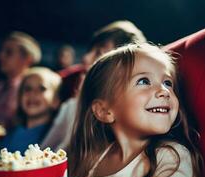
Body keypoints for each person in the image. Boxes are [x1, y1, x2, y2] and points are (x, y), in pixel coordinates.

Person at [60, 43, 203, 177]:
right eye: (143, 81)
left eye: (168, 82)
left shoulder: (170, 157)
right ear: (104, 111)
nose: (164, 91)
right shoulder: (94, 158)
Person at [40, 20, 147, 151]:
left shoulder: (122, 120)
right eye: (89, 50)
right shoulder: (70, 106)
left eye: (98, 53)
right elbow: (43, 153)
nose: (85, 58)